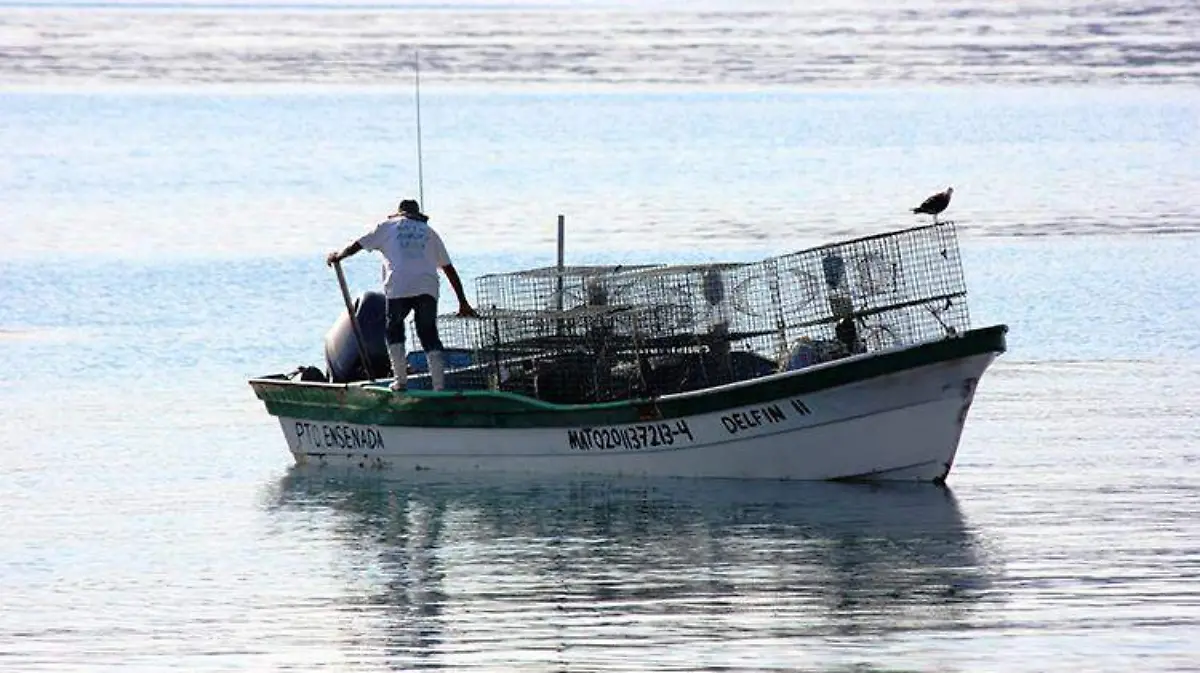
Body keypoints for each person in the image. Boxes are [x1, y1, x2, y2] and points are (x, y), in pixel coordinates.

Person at [326, 199, 477, 392]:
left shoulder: (386, 227)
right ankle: (439, 387)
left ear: (399, 214)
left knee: (394, 329)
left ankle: (400, 381)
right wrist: (462, 302)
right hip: (427, 286)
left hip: (399, 285)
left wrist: (339, 256)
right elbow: (449, 269)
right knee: (429, 333)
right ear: (417, 216)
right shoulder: (430, 233)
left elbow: (358, 245)